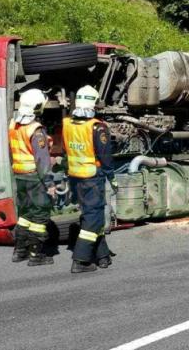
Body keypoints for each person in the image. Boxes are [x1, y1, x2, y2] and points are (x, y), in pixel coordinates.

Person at [62, 85, 118, 273]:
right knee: (93, 218)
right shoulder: (96, 127)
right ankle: (81, 260)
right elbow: (105, 156)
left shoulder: (67, 123)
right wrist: (112, 177)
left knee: (91, 215)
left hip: (75, 176)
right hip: (93, 177)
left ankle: (103, 256)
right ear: (94, 103)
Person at [9, 88, 57, 266]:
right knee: (39, 217)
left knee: (25, 215)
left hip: (20, 176)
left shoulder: (13, 124)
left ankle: (19, 252)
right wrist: (50, 184)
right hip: (35, 178)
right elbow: (42, 160)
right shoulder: (36, 131)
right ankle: (36, 256)